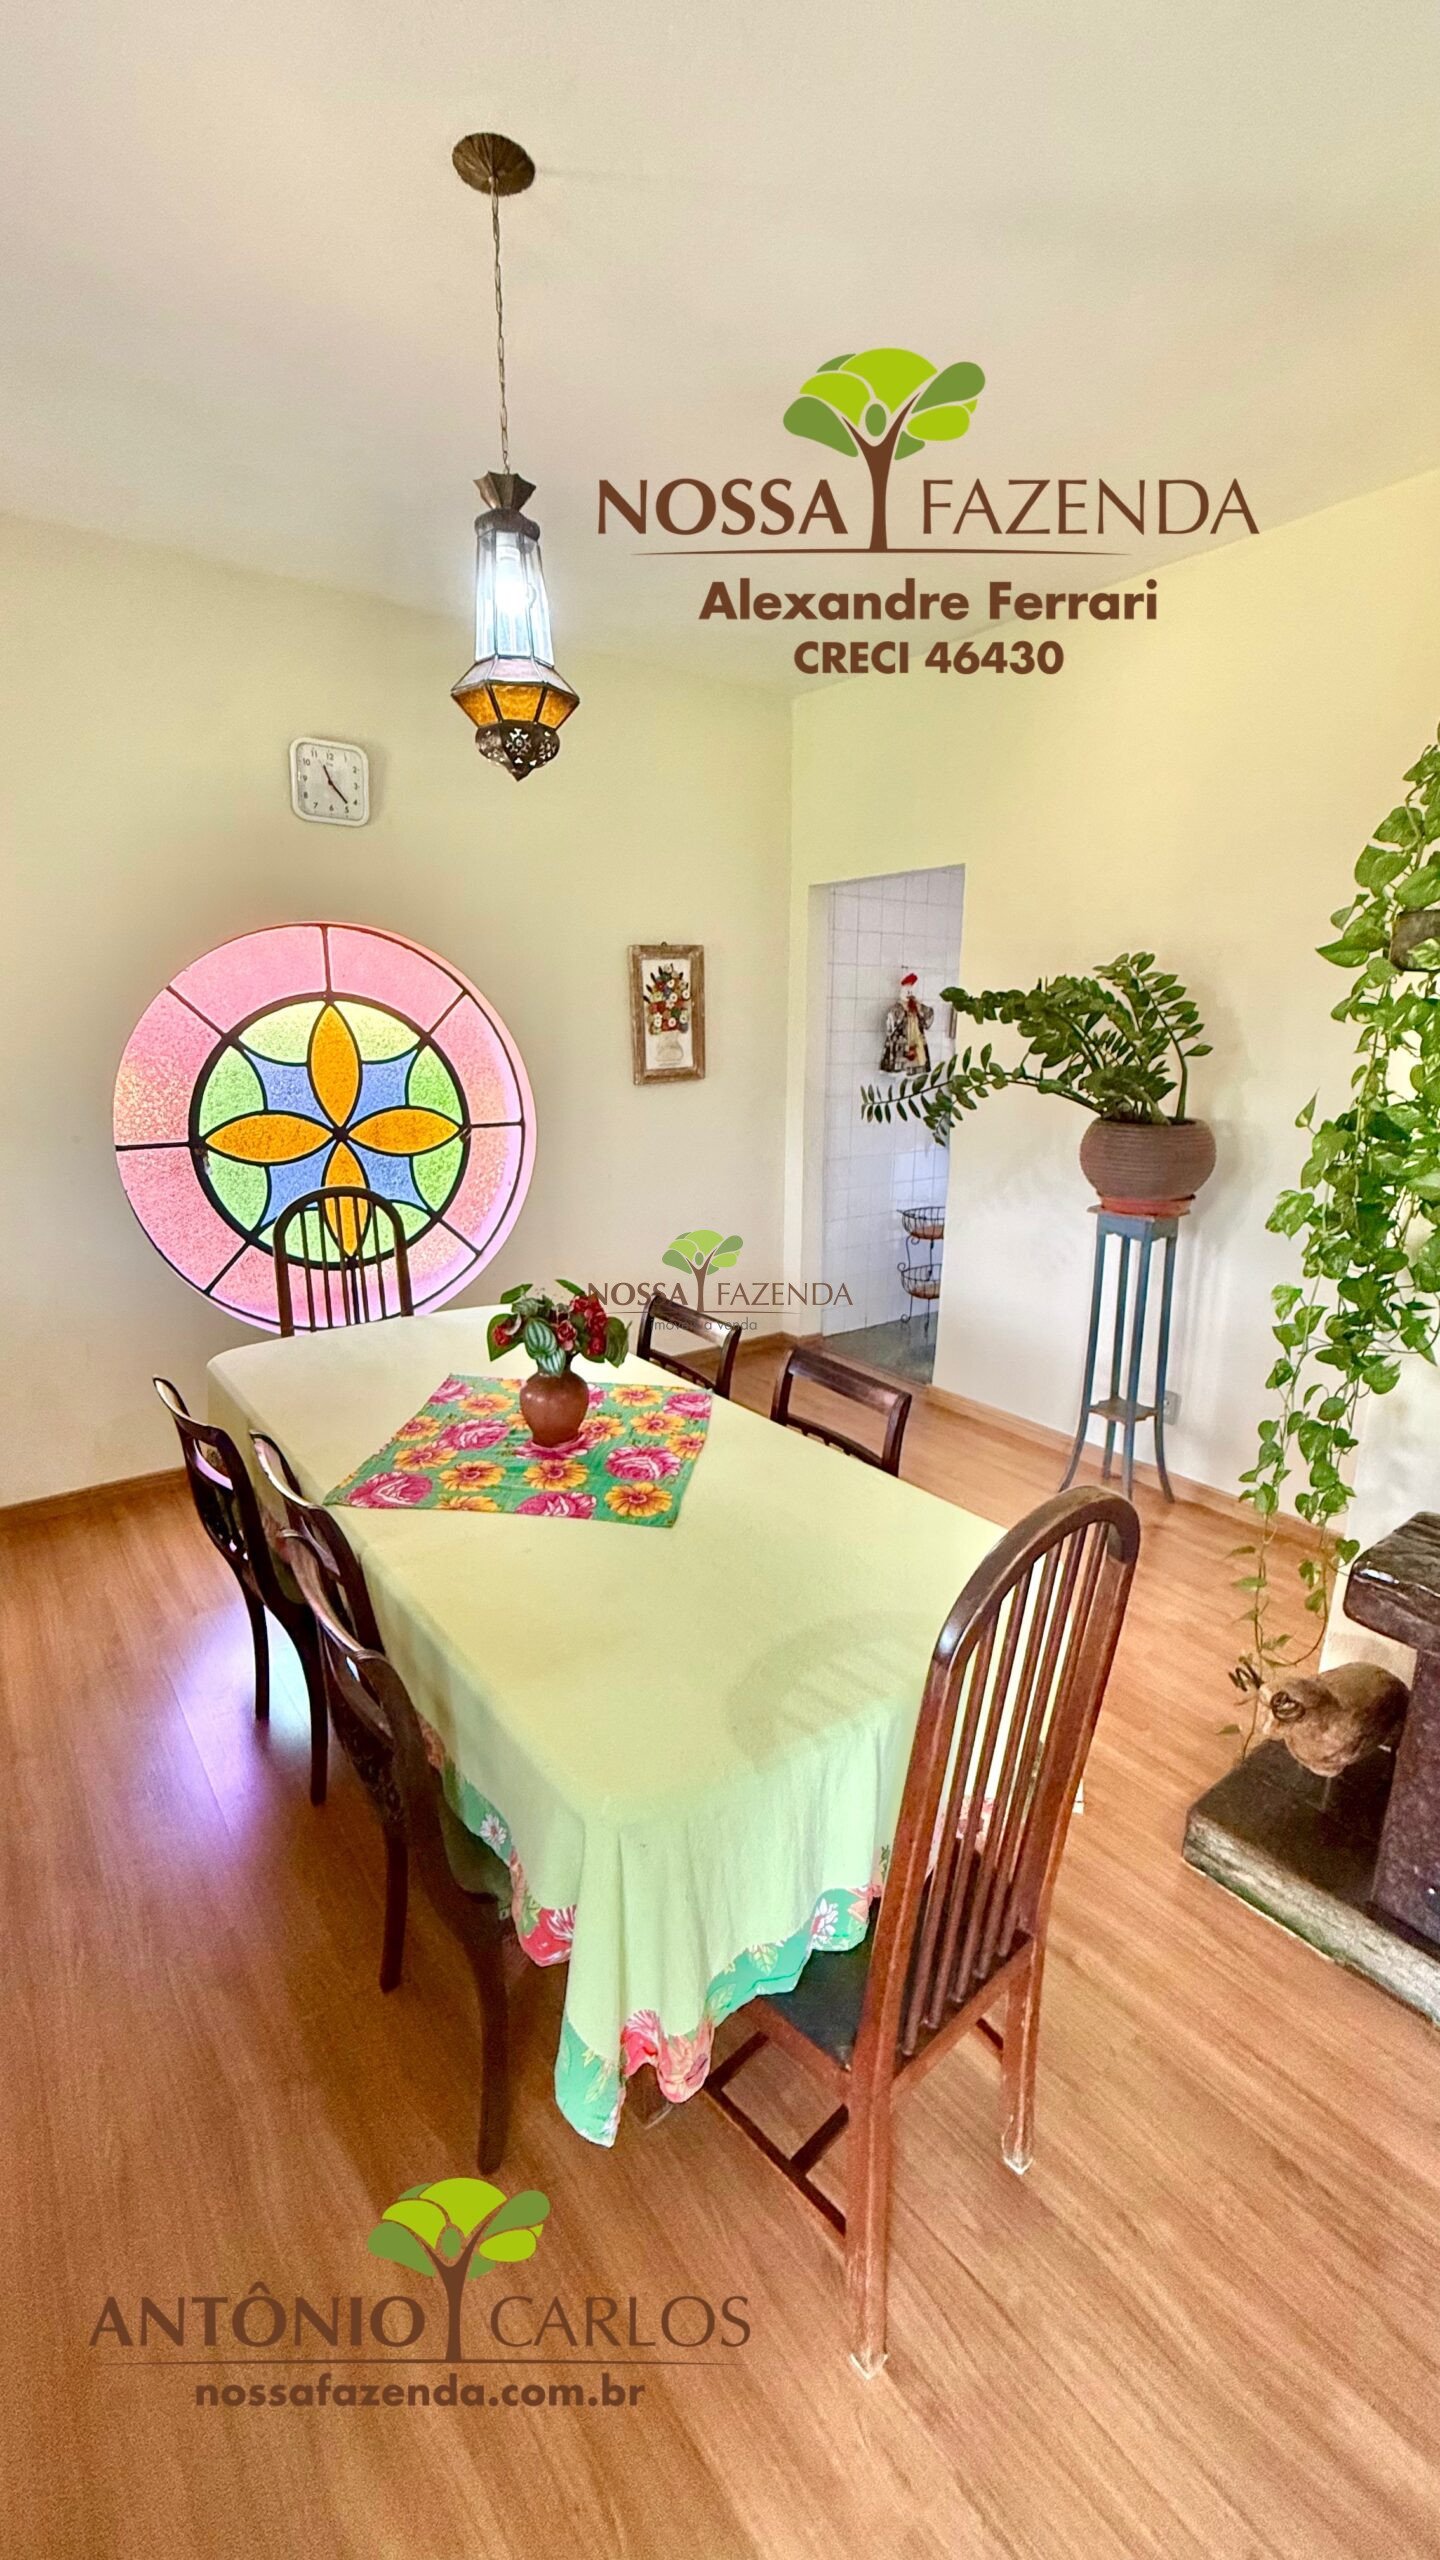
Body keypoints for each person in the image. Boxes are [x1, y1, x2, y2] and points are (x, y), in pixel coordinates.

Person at [880, 971, 933, 1074]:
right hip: (902, 1041)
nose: (910, 995)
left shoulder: (918, 1006)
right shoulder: (898, 1008)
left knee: (918, 1058)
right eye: (908, 991)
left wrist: (919, 1008)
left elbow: (927, 1019)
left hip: (916, 1040)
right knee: (901, 1067)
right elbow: (890, 1024)